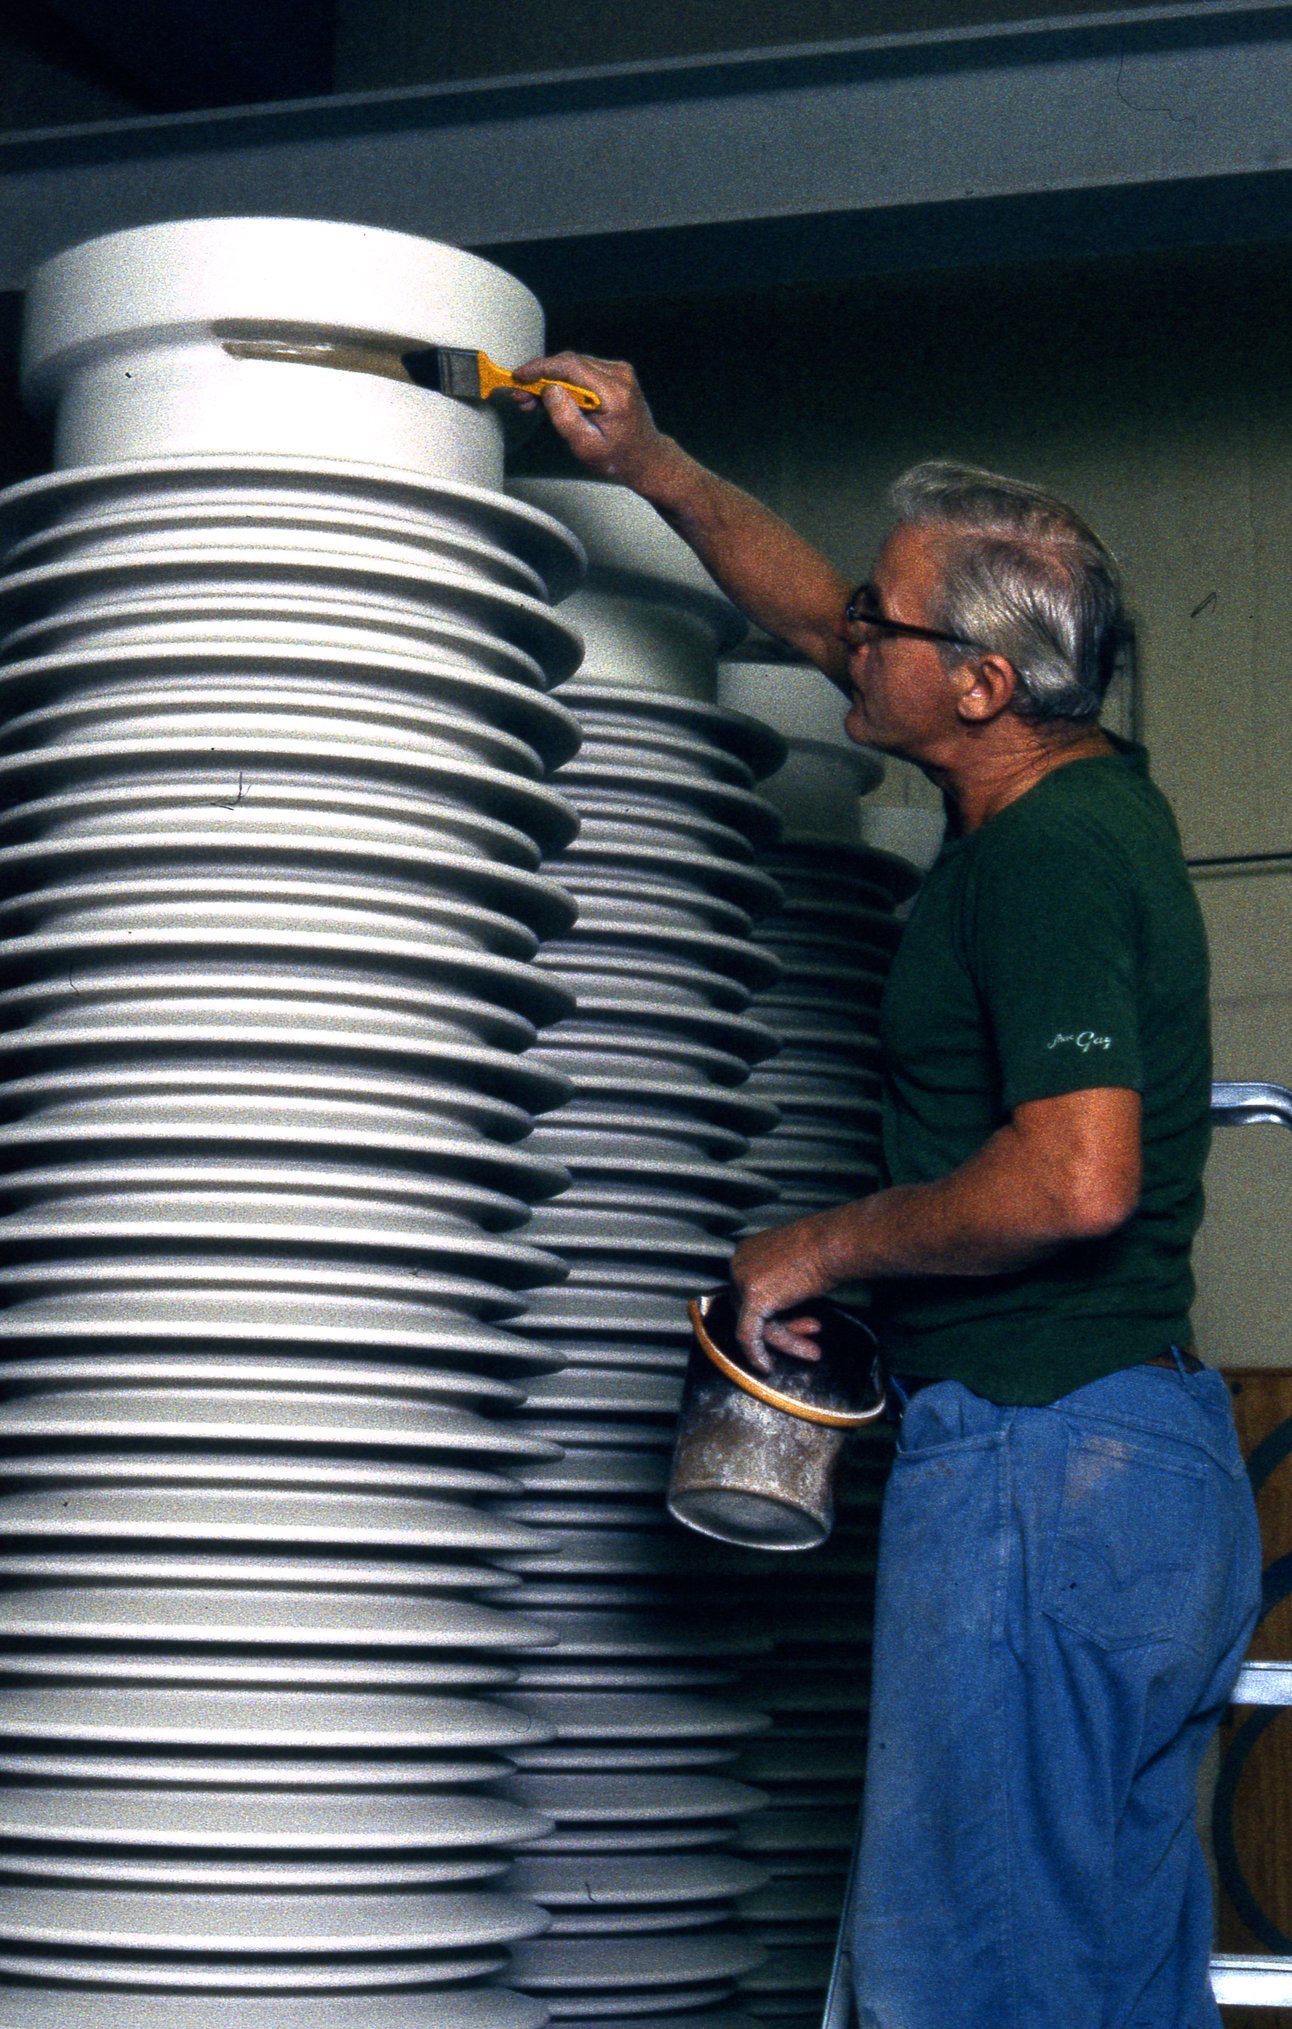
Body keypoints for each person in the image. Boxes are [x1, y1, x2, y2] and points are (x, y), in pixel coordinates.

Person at [511, 351, 1262, 2029]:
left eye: (887, 622)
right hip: (1135, 1474)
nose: (851, 630)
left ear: (984, 682)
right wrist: (657, 462)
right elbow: (807, 618)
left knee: (971, 1991)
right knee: (1105, 1986)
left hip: (1034, 1471)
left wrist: (820, 1245)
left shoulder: (1052, 858)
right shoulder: (1059, 803)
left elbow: (1076, 1177)